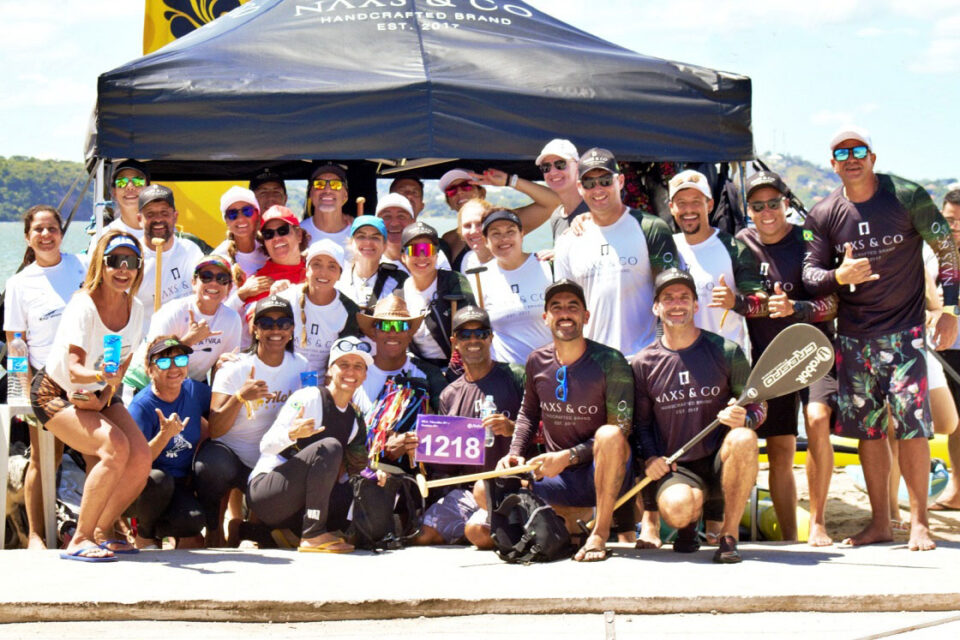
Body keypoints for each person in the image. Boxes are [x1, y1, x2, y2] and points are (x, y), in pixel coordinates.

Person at [802, 125, 960, 551]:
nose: (851, 158)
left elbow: (946, 251)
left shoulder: (906, 196)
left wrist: (950, 311)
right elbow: (810, 275)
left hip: (905, 334)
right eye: (841, 153)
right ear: (832, 164)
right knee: (869, 433)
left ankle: (921, 523)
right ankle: (881, 524)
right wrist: (839, 275)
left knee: (912, 427)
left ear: (873, 157)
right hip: (853, 338)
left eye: (859, 151)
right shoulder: (824, 213)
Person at [30, 231, 150, 561]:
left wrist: (105, 393)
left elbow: (122, 365)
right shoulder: (83, 305)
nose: (123, 269)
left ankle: (102, 530)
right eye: (115, 260)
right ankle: (80, 538)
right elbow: (73, 369)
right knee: (115, 447)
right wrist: (100, 379)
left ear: (139, 267)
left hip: (99, 392)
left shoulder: (136, 308)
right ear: (101, 263)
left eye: (131, 262)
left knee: (141, 457)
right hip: (55, 391)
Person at [633, 268, 766, 563]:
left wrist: (745, 419)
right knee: (679, 509)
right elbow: (641, 425)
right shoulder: (643, 363)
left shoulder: (726, 351)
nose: (676, 304)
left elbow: (759, 406)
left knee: (744, 437)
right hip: (678, 466)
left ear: (696, 305)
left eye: (684, 297)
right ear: (656, 308)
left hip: (722, 462)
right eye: (668, 298)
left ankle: (728, 536)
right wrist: (652, 458)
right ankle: (689, 526)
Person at [735, 170, 839, 546]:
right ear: (748, 210)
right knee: (779, 449)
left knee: (817, 420)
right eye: (757, 206)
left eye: (773, 203)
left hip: (813, 351)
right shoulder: (741, 243)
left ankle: (819, 523)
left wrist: (797, 308)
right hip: (769, 358)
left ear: (786, 203)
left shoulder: (808, 240)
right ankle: (790, 537)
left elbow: (834, 303)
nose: (767, 212)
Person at [498, 280, 633, 562]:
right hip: (558, 477)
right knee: (482, 491)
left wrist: (568, 457)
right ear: (545, 317)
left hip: (602, 473)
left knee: (609, 435)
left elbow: (621, 430)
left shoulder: (611, 361)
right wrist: (515, 453)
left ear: (586, 316)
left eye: (573, 306)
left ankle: (599, 532)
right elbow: (528, 413)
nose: (565, 313)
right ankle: (570, 522)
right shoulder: (536, 361)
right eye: (556, 307)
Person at [196, 295, 309, 546]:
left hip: (272, 457)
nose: (275, 330)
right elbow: (215, 429)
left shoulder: (301, 366)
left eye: (283, 323)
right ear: (255, 330)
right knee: (210, 466)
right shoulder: (235, 367)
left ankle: (246, 528)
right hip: (232, 456)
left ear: (292, 329)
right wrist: (239, 397)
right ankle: (214, 531)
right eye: (266, 323)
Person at [4, 205, 86, 549]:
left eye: (52, 228)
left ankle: (104, 530)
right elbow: (16, 342)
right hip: (44, 383)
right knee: (43, 459)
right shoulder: (18, 283)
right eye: (38, 229)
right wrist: (25, 392)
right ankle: (36, 534)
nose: (46, 235)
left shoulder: (82, 266)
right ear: (27, 237)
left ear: (61, 233)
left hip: (84, 375)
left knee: (96, 453)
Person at [247, 335, 372, 553]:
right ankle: (312, 534)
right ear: (330, 369)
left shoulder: (354, 419)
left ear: (364, 374)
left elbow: (355, 469)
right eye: (343, 365)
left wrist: (375, 475)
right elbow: (265, 446)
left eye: (358, 366)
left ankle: (282, 533)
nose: (351, 372)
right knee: (330, 447)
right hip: (267, 492)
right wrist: (291, 434)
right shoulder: (308, 397)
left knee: (357, 489)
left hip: (300, 501)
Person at [415, 306, 525, 549]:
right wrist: (422, 446)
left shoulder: (516, 376)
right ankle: (480, 528)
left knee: (477, 531)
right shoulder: (449, 394)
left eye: (481, 333)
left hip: (511, 485)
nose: (473, 340)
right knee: (422, 534)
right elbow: (446, 464)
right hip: (467, 491)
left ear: (491, 337)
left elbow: (543, 428)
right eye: (465, 335)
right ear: (454, 342)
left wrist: (512, 428)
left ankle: (507, 526)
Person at [553, 148, 679, 356]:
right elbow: (564, 310)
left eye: (605, 181)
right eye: (589, 183)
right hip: (593, 361)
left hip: (646, 359)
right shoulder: (567, 242)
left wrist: (661, 353)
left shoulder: (651, 228)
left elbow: (672, 297)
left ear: (620, 181)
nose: (598, 189)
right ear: (580, 188)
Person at [668, 169, 765, 351]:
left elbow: (762, 303)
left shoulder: (734, 248)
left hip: (726, 360)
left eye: (696, 202)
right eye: (681, 203)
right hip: (679, 359)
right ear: (671, 208)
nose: (689, 210)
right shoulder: (666, 248)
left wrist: (736, 302)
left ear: (710, 205)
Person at [126, 336, 208, 549]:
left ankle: (163, 530)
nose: (173, 368)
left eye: (180, 360)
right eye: (163, 362)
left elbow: (221, 404)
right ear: (149, 370)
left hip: (179, 483)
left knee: (193, 521)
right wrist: (164, 435)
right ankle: (144, 534)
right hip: (144, 485)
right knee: (159, 479)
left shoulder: (193, 390)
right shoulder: (141, 407)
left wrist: (231, 370)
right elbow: (135, 463)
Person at [354, 295, 448, 472]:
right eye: (384, 326)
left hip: (408, 475)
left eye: (400, 326)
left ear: (409, 333)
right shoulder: (355, 371)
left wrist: (409, 440)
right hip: (357, 470)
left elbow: (449, 426)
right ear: (373, 333)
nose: (392, 333)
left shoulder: (428, 374)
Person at [138, 255, 242, 384]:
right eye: (206, 276)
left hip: (190, 384)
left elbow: (228, 366)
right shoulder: (173, 311)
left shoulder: (232, 320)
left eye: (222, 279)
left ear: (229, 287)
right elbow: (151, 361)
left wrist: (220, 367)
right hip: (145, 382)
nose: (214, 283)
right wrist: (189, 340)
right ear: (193, 282)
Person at [437, 168, 560, 270]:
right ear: (449, 202)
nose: (459, 192)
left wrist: (510, 181)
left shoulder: (506, 221)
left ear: (482, 193)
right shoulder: (449, 239)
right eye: (451, 190)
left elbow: (554, 202)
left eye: (466, 186)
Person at [476, 208, 552, 365]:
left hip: (550, 369)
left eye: (510, 232)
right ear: (485, 240)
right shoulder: (479, 279)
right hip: (505, 373)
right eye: (496, 234)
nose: (504, 239)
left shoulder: (547, 266)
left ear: (522, 234)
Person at [398, 221, 476, 369]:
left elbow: (471, 325)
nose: (422, 256)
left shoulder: (454, 282)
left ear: (437, 255)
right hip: (419, 368)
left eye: (428, 249)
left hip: (458, 367)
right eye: (414, 250)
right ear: (403, 257)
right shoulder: (400, 293)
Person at [279, 239, 362, 378]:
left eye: (332, 267)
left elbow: (345, 358)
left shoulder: (349, 310)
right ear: (306, 270)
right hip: (283, 379)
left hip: (324, 384)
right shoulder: (287, 300)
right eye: (316, 264)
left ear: (340, 274)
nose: (323, 273)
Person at [134, 185, 204, 334]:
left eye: (164, 213)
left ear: (175, 216)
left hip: (188, 342)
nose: (158, 219)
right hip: (150, 343)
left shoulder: (191, 251)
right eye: (150, 214)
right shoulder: (133, 258)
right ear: (139, 219)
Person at [930, 189, 960, 512]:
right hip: (938, 349)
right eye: (950, 220)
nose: (955, 228)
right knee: (954, 423)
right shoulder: (930, 252)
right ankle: (957, 489)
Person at [243, 205, 309, 309]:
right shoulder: (259, 284)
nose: (276, 238)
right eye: (268, 234)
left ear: (299, 235)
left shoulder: (316, 269)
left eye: (283, 230)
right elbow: (252, 319)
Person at [337, 214, 408, 310]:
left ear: (384, 246)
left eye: (375, 238)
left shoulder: (399, 282)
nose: (368, 242)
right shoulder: (337, 280)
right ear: (351, 243)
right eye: (361, 236)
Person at [375, 193, 452, 272]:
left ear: (413, 221)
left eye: (401, 216)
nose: (394, 223)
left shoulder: (433, 255)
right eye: (387, 217)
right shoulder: (371, 261)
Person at [87, 160, 150, 250]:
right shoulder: (101, 238)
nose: (130, 187)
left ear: (148, 188)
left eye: (138, 181)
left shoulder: (163, 233)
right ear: (114, 192)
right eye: (121, 182)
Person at [212, 186, 267, 282]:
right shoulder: (218, 259)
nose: (240, 218)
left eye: (247, 211)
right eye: (232, 214)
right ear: (226, 221)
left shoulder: (270, 248)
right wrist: (245, 290)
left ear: (258, 215)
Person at [537, 139, 588, 241]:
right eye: (546, 167)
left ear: (578, 166)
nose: (553, 172)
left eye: (560, 164)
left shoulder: (597, 207)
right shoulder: (556, 217)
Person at [300, 164, 353, 255]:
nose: (327, 190)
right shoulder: (297, 235)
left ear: (345, 195)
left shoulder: (358, 234)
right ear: (310, 194)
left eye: (335, 184)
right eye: (319, 184)